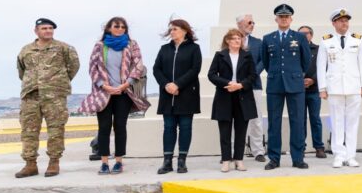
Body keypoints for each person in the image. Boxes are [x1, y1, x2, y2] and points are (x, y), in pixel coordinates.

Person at [79, 17, 150, 175]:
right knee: (104, 127)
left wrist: (126, 84)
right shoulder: (100, 46)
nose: (120, 29)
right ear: (109, 28)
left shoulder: (131, 45)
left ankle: (119, 161)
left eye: (123, 27)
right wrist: (104, 86)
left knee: (120, 126)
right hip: (103, 93)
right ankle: (104, 163)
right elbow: (92, 68)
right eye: (116, 26)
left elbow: (138, 66)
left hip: (124, 92)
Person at [15, 18, 80, 178]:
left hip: (54, 96)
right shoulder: (26, 50)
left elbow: (74, 66)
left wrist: (58, 82)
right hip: (31, 95)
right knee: (29, 131)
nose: (48, 31)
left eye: (51, 28)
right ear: (36, 31)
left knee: (56, 130)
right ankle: (30, 164)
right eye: (44, 28)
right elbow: (21, 71)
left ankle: (54, 162)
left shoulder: (64, 48)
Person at [261, 4, 312, 169]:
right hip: (274, 84)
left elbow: (306, 60)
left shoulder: (300, 37)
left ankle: (298, 158)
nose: (284, 19)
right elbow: (266, 62)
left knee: (297, 122)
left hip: (295, 85)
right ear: (276, 19)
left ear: (291, 19)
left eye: (286, 17)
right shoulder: (268, 38)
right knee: (274, 123)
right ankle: (274, 158)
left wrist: (296, 74)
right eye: (281, 17)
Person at [317, 8, 362, 168]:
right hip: (334, 87)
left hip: (354, 87)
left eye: (346, 20)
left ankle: (351, 156)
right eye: (341, 21)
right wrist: (322, 88)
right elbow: (321, 66)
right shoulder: (326, 41)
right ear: (334, 23)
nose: (344, 23)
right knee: (337, 122)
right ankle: (339, 155)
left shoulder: (358, 40)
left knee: (352, 122)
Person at [153, 19, 202, 174]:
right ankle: (167, 161)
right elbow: (156, 69)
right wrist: (167, 85)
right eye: (171, 29)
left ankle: (182, 161)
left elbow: (195, 69)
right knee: (168, 127)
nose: (172, 32)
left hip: (187, 94)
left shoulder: (194, 48)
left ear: (184, 31)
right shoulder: (164, 49)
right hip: (167, 95)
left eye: (175, 29)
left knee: (185, 127)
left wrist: (178, 84)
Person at [207, 28, 257, 172]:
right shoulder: (220, 55)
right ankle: (226, 160)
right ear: (227, 41)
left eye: (239, 38)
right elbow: (211, 75)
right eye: (234, 38)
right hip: (224, 96)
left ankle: (239, 160)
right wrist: (228, 83)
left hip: (243, 96)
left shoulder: (247, 55)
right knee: (225, 131)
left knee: (241, 130)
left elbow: (253, 75)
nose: (237, 41)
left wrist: (240, 85)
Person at [237, 14, 267, 162]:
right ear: (239, 23)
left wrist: (251, 76)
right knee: (235, 119)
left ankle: (258, 151)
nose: (252, 25)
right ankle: (233, 152)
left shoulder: (258, 42)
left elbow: (263, 61)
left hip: (254, 85)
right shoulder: (231, 39)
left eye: (253, 23)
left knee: (256, 119)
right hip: (234, 86)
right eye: (249, 22)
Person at [299, 25, 326, 158]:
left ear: (311, 35)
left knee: (315, 119)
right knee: (300, 120)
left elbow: (323, 66)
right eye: (301, 34)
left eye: (306, 33)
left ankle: (319, 147)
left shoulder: (319, 49)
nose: (304, 36)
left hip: (314, 90)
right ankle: (301, 147)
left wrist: (313, 80)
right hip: (298, 90)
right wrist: (300, 80)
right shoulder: (294, 49)